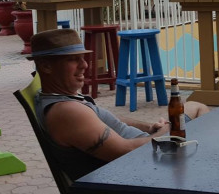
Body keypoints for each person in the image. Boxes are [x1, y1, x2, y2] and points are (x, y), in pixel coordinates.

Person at [30, 29, 209, 180]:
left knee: (194, 106)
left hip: (147, 152)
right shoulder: (66, 112)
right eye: (72, 59)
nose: (84, 65)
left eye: (82, 58)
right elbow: (123, 151)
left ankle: (205, 162)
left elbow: (106, 119)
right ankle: (206, 168)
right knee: (198, 109)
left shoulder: (56, 96)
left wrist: (149, 127)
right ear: (46, 66)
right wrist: (168, 132)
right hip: (145, 165)